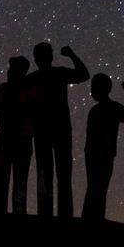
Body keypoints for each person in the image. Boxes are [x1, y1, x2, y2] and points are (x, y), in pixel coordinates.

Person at [25, 41, 89, 219]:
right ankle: (64, 215)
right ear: (50, 56)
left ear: (36, 58)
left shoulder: (31, 79)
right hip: (58, 129)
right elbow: (84, 74)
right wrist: (72, 54)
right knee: (62, 174)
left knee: (45, 173)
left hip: (44, 131)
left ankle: (45, 213)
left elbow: (25, 106)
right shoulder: (58, 73)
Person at [82, 74, 124, 222]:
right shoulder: (113, 107)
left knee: (94, 187)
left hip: (95, 154)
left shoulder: (97, 110)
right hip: (103, 154)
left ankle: (91, 217)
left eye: (93, 88)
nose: (91, 91)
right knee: (99, 187)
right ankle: (96, 217)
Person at [0, 56, 34, 215]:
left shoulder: (26, 89)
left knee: (17, 180)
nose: (10, 72)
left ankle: (14, 212)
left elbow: (0, 111)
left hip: (18, 140)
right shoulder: (5, 88)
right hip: (8, 139)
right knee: (3, 179)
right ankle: (2, 213)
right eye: (11, 68)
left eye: (14, 69)